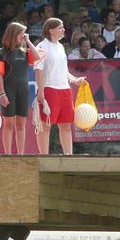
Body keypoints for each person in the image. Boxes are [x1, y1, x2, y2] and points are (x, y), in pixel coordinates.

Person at [35, 18, 87, 155]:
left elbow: (63, 70)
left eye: (63, 27)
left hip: (65, 90)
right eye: (60, 27)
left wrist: (75, 80)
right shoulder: (41, 46)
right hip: (49, 89)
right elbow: (38, 70)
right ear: (51, 30)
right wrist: (41, 91)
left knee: (66, 125)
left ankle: (68, 155)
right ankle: (44, 156)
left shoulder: (61, 46)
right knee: (45, 125)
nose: (63, 30)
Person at [0, 22, 45, 155]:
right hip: (8, 90)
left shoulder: (25, 51)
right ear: (13, 34)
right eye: (20, 34)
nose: (22, 36)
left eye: (23, 33)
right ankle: (7, 154)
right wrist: (2, 94)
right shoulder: (2, 53)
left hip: (23, 90)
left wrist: (28, 41)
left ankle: (20, 153)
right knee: (8, 123)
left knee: (21, 123)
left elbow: (38, 57)